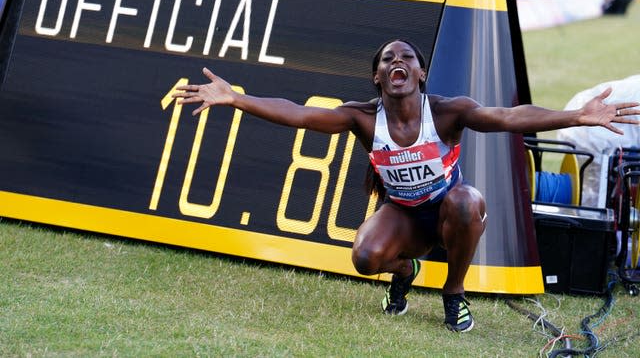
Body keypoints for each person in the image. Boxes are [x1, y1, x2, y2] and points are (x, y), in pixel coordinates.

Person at [173, 39, 640, 332]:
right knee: (363, 258)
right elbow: (298, 113)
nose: (397, 61)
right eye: (387, 59)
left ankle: (453, 294)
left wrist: (574, 115)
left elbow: (508, 116)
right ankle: (404, 274)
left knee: (467, 199)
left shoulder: (448, 111)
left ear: (420, 74)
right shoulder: (361, 116)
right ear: (378, 77)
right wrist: (236, 98)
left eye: (407, 57)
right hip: (404, 216)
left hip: (448, 212)